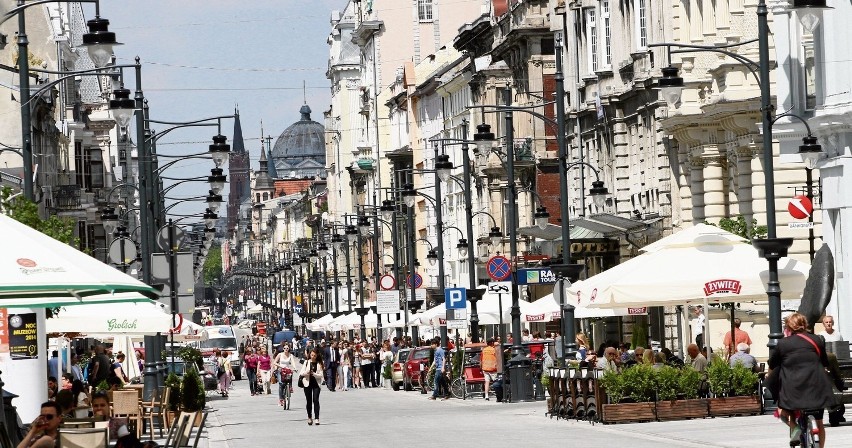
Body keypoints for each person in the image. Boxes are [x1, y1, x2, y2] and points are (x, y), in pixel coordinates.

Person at [769, 312, 837, 447]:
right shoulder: (817, 339)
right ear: (805, 325)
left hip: (793, 389)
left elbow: (773, 366)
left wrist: (770, 377)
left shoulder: (783, 344)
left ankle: (794, 426)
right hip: (817, 387)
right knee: (819, 422)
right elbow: (824, 362)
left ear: (788, 327)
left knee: (782, 410)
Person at [298, 347, 324, 425]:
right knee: (308, 400)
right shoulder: (306, 362)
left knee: (316, 400)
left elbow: (321, 375)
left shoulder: (319, 363)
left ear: (317, 356)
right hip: (307, 383)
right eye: (312, 355)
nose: (313, 357)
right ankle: (309, 417)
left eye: (314, 355)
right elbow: (301, 373)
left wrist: (314, 374)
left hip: (316, 384)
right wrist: (307, 372)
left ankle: (317, 418)